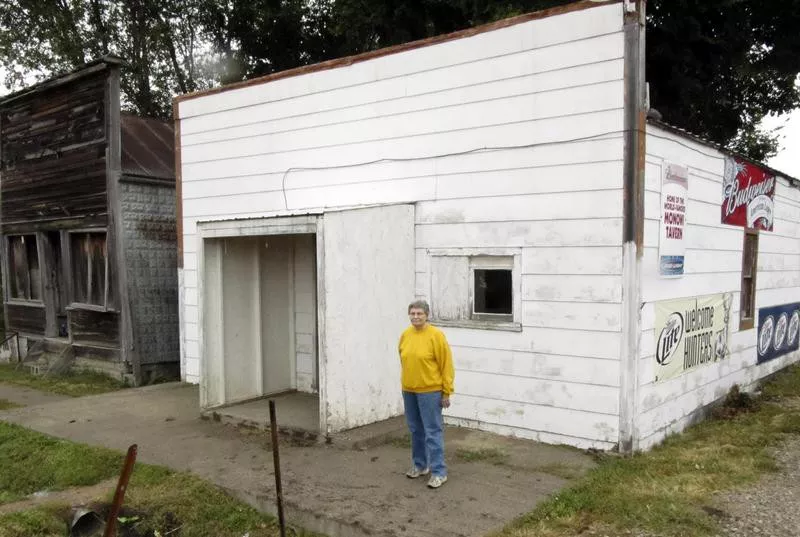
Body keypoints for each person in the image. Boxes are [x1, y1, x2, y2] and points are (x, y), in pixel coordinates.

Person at [398, 299, 455, 489]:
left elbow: (446, 365)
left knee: (432, 431)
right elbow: (404, 359)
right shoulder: (405, 335)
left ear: (427, 315)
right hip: (409, 390)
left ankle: (439, 471)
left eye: (419, 314)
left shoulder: (436, 336)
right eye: (412, 313)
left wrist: (446, 391)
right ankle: (420, 465)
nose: (415, 317)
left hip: (430, 392)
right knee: (416, 430)